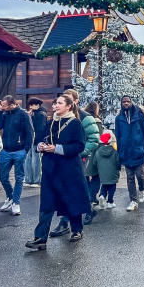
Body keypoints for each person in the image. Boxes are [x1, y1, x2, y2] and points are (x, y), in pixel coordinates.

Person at [26, 95, 89, 249]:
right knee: (46, 203)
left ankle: (76, 229)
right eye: (55, 103)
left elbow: (79, 146)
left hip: (69, 168)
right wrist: (41, 146)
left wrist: (58, 149)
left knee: (71, 199)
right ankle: (40, 238)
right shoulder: (50, 122)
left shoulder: (75, 124)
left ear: (68, 106)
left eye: (60, 103)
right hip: (50, 168)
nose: (56, 105)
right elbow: (40, 138)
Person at [50, 92, 100, 235]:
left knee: (77, 191)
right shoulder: (57, 118)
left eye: (67, 101)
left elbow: (93, 139)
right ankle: (65, 222)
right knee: (66, 191)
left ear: (74, 102)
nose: (62, 103)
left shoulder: (85, 118)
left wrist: (80, 152)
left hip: (78, 160)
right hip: (61, 160)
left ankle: (74, 220)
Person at [0, 95, 34, 217]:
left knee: (19, 178)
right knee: (3, 177)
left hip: (19, 151)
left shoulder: (23, 114)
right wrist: (0, 112)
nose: (3, 107)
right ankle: (10, 196)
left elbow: (30, 132)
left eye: (4, 105)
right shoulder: (5, 113)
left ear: (12, 104)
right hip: (5, 150)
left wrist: (25, 150)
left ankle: (16, 202)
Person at [114, 95, 144, 211]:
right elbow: (118, 135)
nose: (126, 103)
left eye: (128, 101)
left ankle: (141, 188)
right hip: (126, 152)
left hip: (138, 150)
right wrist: (119, 152)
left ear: (131, 102)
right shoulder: (119, 118)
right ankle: (133, 200)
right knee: (130, 178)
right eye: (124, 102)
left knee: (140, 175)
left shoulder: (139, 115)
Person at [25, 98, 48, 187]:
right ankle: (30, 179)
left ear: (37, 105)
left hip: (36, 140)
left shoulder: (40, 114)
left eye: (32, 105)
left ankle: (36, 180)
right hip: (33, 140)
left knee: (35, 161)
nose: (31, 107)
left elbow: (39, 129)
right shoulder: (36, 114)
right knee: (30, 160)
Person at [95, 132, 120, 209]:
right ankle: (110, 201)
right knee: (112, 187)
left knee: (104, 186)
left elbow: (94, 162)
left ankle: (102, 195)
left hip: (102, 174)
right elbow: (118, 162)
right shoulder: (115, 152)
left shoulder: (98, 152)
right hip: (113, 173)